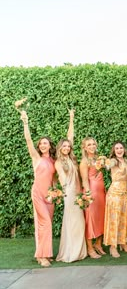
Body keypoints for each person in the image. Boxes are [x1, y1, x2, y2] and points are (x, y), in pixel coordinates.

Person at [19, 109, 57, 267]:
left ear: (49, 146)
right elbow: (28, 140)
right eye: (41, 143)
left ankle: (46, 253)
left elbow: (54, 180)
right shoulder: (36, 157)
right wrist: (25, 122)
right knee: (45, 223)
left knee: (47, 224)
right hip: (38, 194)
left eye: (45, 143)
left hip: (50, 196)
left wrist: (56, 193)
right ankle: (41, 256)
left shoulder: (54, 161)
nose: (42, 145)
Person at [55, 110, 87, 262]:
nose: (67, 148)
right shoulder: (59, 162)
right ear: (60, 148)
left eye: (68, 146)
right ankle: (70, 253)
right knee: (72, 222)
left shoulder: (72, 159)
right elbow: (62, 180)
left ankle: (79, 251)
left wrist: (72, 117)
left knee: (79, 223)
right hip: (69, 193)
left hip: (77, 192)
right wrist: (64, 194)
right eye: (64, 146)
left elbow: (70, 136)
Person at [79, 137, 107, 258]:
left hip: (101, 192)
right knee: (90, 219)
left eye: (93, 144)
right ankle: (90, 248)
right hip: (92, 193)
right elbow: (84, 180)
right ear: (84, 147)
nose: (92, 146)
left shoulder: (99, 159)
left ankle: (98, 244)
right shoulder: (84, 162)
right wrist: (88, 195)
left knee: (101, 217)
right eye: (89, 144)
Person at [103, 141, 127, 258]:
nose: (119, 150)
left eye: (121, 148)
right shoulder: (113, 161)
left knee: (124, 218)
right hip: (114, 193)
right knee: (114, 220)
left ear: (124, 149)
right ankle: (112, 247)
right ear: (114, 151)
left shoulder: (126, 161)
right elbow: (107, 165)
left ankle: (122, 242)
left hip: (124, 193)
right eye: (116, 148)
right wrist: (105, 163)